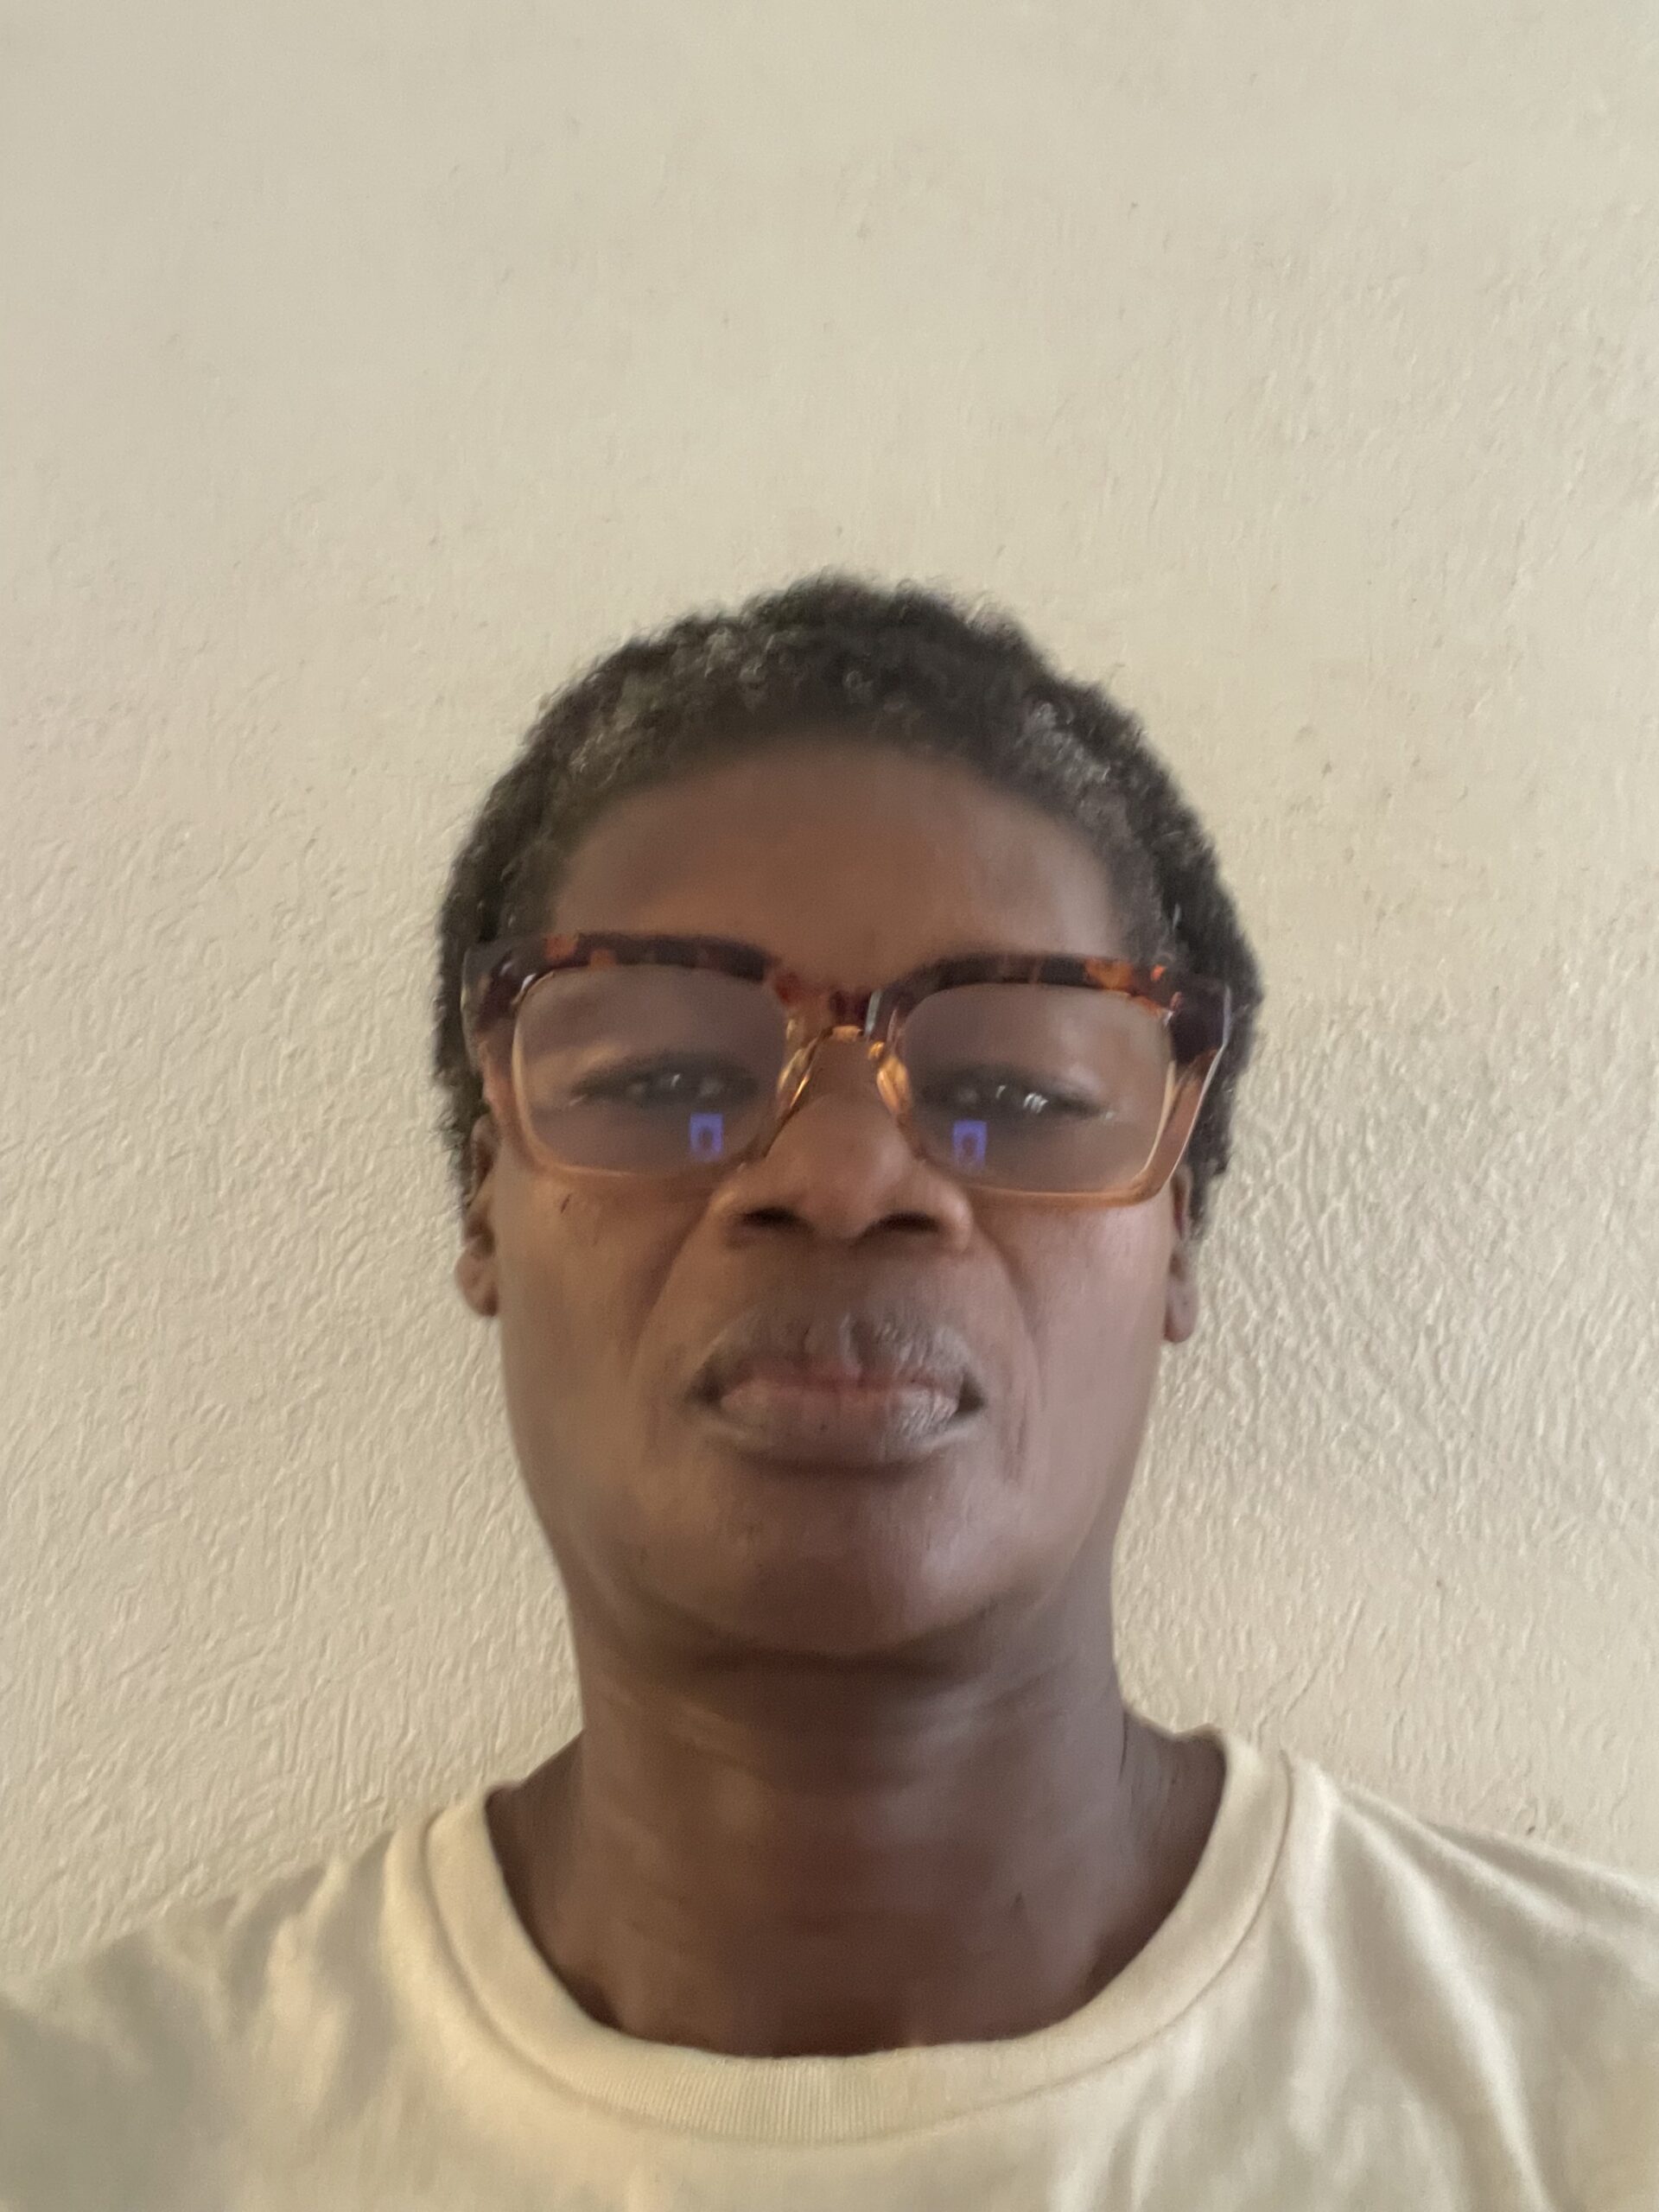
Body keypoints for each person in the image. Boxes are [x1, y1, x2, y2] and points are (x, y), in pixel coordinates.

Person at [2, 575, 1655, 2210]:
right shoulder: (88, 2138)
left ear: (1178, 1235)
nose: (847, 1178)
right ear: (484, 1209)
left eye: (1009, 1092)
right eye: (669, 1079)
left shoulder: (1599, 2098)